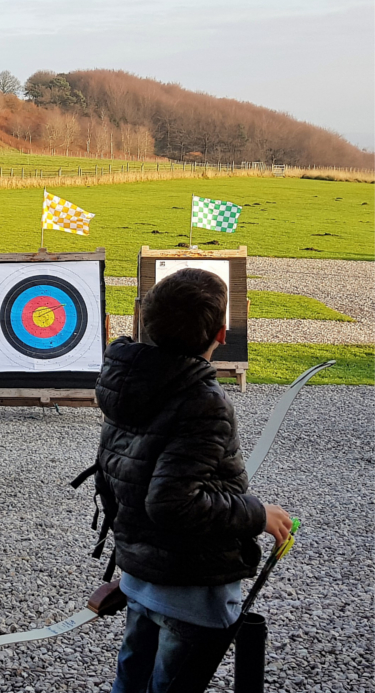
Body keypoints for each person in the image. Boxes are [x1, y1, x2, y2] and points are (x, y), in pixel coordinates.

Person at [93, 268, 295, 692]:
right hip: (189, 593)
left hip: (142, 575)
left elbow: (126, 479)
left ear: (145, 321)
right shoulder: (202, 401)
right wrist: (259, 514)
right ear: (222, 334)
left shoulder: (129, 381)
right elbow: (171, 502)